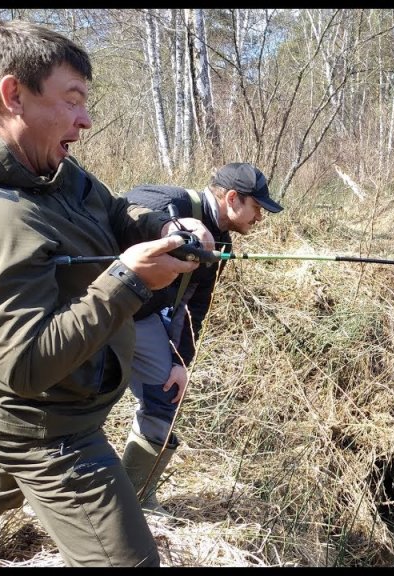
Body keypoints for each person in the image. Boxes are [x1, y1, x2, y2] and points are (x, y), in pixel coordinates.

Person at [0, 20, 213, 567]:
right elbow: (27, 364)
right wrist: (130, 281)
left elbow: (115, 212)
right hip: (49, 431)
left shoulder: (50, 171)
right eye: (73, 100)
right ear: (13, 95)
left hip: (38, 411)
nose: (86, 119)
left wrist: (163, 231)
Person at [118, 163, 283, 515]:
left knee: (167, 396)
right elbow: (127, 206)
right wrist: (174, 226)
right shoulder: (174, 200)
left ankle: (134, 498)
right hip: (97, 306)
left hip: (142, 318)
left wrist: (180, 362)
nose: (259, 218)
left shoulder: (222, 242)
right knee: (85, 402)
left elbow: (194, 305)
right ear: (234, 199)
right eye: (257, 208)